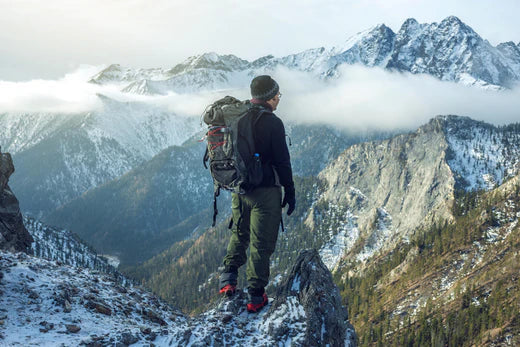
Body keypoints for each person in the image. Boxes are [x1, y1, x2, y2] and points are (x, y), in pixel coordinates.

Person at [219, 75, 296, 313]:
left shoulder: (238, 116)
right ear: (270, 97)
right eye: (277, 96)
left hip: (239, 189)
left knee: (239, 232)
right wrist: (290, 191)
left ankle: (228, 280)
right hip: (265, 192)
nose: (278, 100)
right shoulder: (273, 123)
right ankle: (255, 296)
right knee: (260, 244)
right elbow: (283, 162)